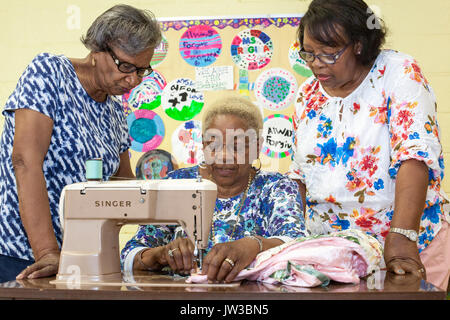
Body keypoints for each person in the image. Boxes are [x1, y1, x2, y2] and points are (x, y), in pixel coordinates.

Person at [288, 0, 449, 290]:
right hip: (335, 255)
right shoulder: (306, 95)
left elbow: (415, 156)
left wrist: (402, 237)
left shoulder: (398, 73)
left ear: (359, 45)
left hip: (408, 243)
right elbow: (299, 174)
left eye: (328, 54)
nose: (316, 64)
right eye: (309, 54)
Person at [0, 4, 161, 282]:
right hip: (19, 255)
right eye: (125, 66)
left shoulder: (114, 111)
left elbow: (123, 184)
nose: (133, 80)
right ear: (98, 49)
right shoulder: (50, 73)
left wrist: (169, 201)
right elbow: (25, 161)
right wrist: (47, 251)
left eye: (141, 70)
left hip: (76, 258)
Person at [121, 96, 308, 283]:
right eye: (214, 145)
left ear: (257, 146)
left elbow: (298, 245)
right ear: (203, 144)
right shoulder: (177, 184)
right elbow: (130, 255)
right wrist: (161, 255)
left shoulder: (276, 187)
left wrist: (253, 246)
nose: (224, 156)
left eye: (237, 147)